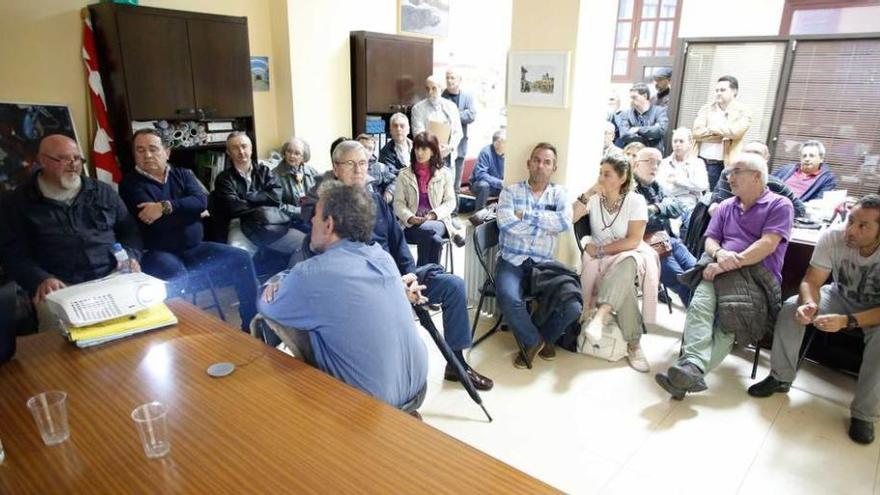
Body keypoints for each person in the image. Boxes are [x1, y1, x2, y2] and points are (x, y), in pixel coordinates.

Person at [297, 140, 494, 390]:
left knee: (452, 286)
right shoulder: (324, 209)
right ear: (336, 168)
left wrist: (410, 276)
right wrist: (393, 286)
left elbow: (398, 243)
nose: (359, 170)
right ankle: (395, 389)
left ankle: (457, 364)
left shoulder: (376, 201)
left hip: (399, 280)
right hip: (363, 291)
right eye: (350, 164)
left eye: (363, 163)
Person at [258, 181, 428, 410]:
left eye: (315, 216)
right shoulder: (382, 257)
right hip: (419, 387)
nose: (310, 221)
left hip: (373, 410)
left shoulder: (312, 273)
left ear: (328, 225)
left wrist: (277, 281)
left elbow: (267, 306)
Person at [655, 152, 794, 399]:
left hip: (756, 276)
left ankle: (689, 371)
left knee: (730, 322)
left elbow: (768, 244)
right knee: (699, 305)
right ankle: (692, 371)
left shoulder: (780, 205)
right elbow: (711, 239)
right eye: (728, 172)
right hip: (718, 265)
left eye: (736, 171)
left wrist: (730, 262)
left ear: (757, 176)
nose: (729, 177)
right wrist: (719, 254)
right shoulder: (726, 206)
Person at [748, 194, 880, 445]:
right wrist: (809, 303)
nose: (851, 230)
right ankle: (780, 377)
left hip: (875, 309)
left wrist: (846, 321)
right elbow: (812, 280)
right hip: (839, 295)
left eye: (863, 226)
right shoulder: (833, 236)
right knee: (790, 309)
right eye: (851, 220)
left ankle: (864, 414)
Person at [119, 129, 259, 332]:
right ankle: (186, 333)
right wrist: (187, 211)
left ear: (167, 152)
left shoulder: (183, 174)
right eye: (140, 150)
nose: (147, 155)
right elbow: (153, 221)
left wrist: (164, 207)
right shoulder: (130, 184)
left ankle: (251, 322)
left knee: (241, 258)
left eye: (153, 149)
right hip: (158, 252)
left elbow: (202, 201)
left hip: (195, 247)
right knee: (177, 275)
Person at [2, 134, 142, 331]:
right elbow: (12, 254)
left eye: (76, 158)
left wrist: (131, 256)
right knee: (62, 336)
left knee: (145, 316)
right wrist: (40, 278)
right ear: (42, 161)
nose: (73, 165)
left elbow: (130, 232)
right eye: (63, 159)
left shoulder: (102, 192)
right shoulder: (18, 202)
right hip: (60, 285)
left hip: (113, 275)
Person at [496, 143, 580, 368]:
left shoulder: (560, 193)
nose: (540, 165)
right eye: (536, 160)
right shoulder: (510, 192)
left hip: (544, 266)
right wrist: (544, 223)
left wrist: (525, 216)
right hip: (511, 260)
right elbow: (506, 224)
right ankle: (535, 341)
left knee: (573, 306)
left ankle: (544, 337)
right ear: (528, 163)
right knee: (508, 298)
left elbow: (563, 222)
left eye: (547, 162)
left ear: (554, 167)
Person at [574, 154, 656, 372]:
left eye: (607, 174)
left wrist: (601, 250)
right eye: (600, 173)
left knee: (627, 263)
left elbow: (633, 240)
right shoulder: (594, 198)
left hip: (627, 252)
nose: (601, 178)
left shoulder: (635, 201)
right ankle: (634, 344)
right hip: (599, 257)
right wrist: (589, 192)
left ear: (622, 177)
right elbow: (571, 217)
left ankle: (599, 316)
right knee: (626, 286)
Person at [214, 132, 303, 257]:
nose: (241, 151)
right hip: (241, 224)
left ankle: (289, 276)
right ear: (228, 152)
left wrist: (247, 196)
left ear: (251, 149)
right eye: (235, 148)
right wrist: (263, 200)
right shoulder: (224, 179)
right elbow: (233, 207)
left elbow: (276, 197)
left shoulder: (265, 172)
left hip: (269, 221)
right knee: (238, 255)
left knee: (304, 243)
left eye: (244, 146)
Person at [633, 147, 696, 306]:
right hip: (646, 246)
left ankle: (704, 318)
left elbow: (676, 207)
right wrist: (662, 209)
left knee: (698, 271)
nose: (655, 166)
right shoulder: (629, 188)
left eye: (658, 163)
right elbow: (641, 217)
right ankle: (699, 322)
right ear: (636, 164)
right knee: (682, 280)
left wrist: (657, 208)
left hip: (668, 240)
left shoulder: (657, 187)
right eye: (650, 162)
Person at [393, 132, 465, 266]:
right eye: (417, 148)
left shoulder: (444, 174)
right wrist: (410, 217)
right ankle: (431, 275)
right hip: (410, 225)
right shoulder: (404, 175)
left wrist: (433, 214)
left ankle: (421, 275)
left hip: (437, 222)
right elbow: (398, 203)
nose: (419, 152)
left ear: (433, 151)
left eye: (424, 149)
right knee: (434, 239)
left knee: (429, 231)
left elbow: (450, 202)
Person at [709, 141, 806, 218]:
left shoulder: (775, 184)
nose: (751, 157)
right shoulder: (729, 175)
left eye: (757, 153)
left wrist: (769, 217)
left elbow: (800, 209)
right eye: (747, 153)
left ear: (766, 158)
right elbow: (724, 211)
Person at [692, 75, 752, 192]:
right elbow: (696, 132)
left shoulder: (743, 111)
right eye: (717, 90)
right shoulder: (706, 109)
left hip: (723, 164)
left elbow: (735, 133)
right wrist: (724, 134)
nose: (718, 93)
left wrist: (712, 128)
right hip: (701, 160)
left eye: (723, 90)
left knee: (717, 197)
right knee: (698, 196)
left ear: (734, 91)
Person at [657, 127, 708, 234]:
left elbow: (702, 185)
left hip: (691, 206)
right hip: (670, 204)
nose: (677, 144)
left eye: (681, 141)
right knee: (672, 231)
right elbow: (663, 188)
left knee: (698, 231)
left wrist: (678, 180)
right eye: (675, 141)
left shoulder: (698, 163)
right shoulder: (664, 163)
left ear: (690, 143)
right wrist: (689, 188)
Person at [410, 75, 463, 169]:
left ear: (441, 89)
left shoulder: (451, 107)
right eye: (427, 89)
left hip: (447, 155)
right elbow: (418, 134)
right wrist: (435, 149)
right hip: (428, 159)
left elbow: (458, 131)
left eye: (434, 88)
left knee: (449, 183)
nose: (430, 92)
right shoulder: (418, 109)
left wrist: (450, 147)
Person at [442, 68, 477, 197]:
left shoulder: (467, 97)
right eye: (447, 78)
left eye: (452, 78)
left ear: (459, 80)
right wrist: (458, 114)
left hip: (460, 144)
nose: (449, 80)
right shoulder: (441, 96)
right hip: (443, 145)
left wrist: (454, 114)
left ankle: (455, 212)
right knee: (443, 180)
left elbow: (472, 115)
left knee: (457, 181)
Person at [274, 136, 319, 232]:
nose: (292, 156)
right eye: (289, 151)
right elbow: (277, 205)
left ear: (303, 157)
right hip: (289, 223)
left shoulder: (312, 172)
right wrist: (300, 212)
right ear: (284, 152)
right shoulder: (274, 175)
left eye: (297, 153)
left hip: (312, 219)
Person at [771, 140, 838, 202]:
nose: (807, 159)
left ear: (821, 159)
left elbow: (819, 202)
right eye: (804, 156)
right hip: (772, 203)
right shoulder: (787, 169)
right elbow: (768, 183)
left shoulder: (827, 179)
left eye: (811, 156)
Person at [614, 82, 669, 154]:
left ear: (645, 96)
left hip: (652, 155)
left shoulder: (659, 111)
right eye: (631, 98)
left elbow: (661, 130)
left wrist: (637, 129)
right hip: (632, 155)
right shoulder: (625, 114)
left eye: (634, 97)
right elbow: (624, 135)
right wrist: (651, 136)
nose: (631, 100)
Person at [470, 129, 506, 211]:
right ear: (496, 144)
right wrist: (499, 183)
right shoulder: (486, 152)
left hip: (497, 186)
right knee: (484, 185)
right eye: (505, 142)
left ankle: (502, 214)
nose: (508, 145)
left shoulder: (507, 154)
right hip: (479, 184)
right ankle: (479, 215)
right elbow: (481, 175)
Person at [356, 133, 396, 203]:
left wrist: (389, 192)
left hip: (376, 205)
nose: (366, 151)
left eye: (370, 149)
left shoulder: (380, 168)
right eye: (363, 147)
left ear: (373, 152)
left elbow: (396, 180)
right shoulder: (350, 167)